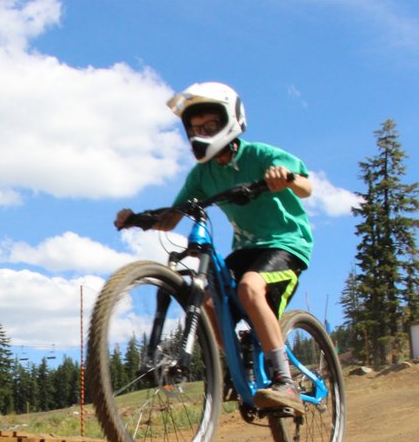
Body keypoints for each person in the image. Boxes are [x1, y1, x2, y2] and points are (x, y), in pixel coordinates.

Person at [115, 82, 314, 414]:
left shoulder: (260, 155)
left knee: (251, 288)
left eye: (209, 126)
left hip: (285, 244)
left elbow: (306, 186)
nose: (200, 133)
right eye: (194, 128)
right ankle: (242, 368)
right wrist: (136, 219)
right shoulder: (202, 174)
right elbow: (171, 219)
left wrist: (286, 178)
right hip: (245, 249)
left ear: (229, 122)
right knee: (208, 300)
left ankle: (286, 382)